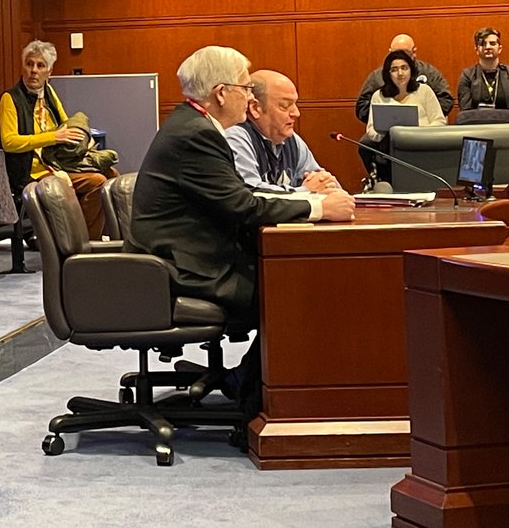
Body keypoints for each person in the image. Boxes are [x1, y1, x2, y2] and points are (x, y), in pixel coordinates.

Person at [129, 46, 355, 418]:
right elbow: (244, 206)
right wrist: (318, 207)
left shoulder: (194, 125)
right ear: (221, 93)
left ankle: (251, 385)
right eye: (245, 88)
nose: (250, 97)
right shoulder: (197, 135)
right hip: (181, 268)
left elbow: (238, 199)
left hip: (186, 255)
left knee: (292, 282)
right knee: (292, 293)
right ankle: (255, 396)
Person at [0, 40, 115, 236]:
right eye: (29, 64)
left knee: (111, 175)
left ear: (49, 72)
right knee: (97, 182)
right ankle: (83, 241)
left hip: (58, 162)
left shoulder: (49, 92)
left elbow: (65, 123)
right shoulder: (10, 99)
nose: (34, 70)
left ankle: (111, 238)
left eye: (40, 65)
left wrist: (82, 140)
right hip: (32, 169)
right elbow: (9, 142)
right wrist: (53, 137)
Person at [225, 70, 341, 194]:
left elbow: (322, 181)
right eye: (285, 105)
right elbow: (250, 192)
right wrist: (305, 191)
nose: (296, 113)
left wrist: (329, 186)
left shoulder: (291, 139)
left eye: (295, 104)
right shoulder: (236, 137)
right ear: (255, 108)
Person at [361, 50, 447, 182]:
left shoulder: (424, 91)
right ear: (388, 74)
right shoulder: (379, 96)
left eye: (404, 68)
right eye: (394, 69)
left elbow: (440, 121)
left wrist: (421, 132)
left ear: (411, 70)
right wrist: (384, 131)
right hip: (390, 148)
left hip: (421, 145)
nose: (400, 73)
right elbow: (371, 130)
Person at [355, 34, 452, 123]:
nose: (400, 57)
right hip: (386, 130)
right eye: (396, 53)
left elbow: (446, 99)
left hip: (422, 127)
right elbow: (362, 106)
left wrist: (424, 115)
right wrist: (382, 119)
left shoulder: (429, 73)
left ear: (414, 52)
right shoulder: (377, 77)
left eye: (405, 53)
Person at [456, 27, 509, 113]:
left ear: (500, 48)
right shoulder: (467, 75)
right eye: (483, 44)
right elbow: (465, 111)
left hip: (507, 124)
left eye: (492, 43)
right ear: (476, 49)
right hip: (477, 124)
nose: (487, 47)